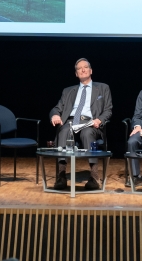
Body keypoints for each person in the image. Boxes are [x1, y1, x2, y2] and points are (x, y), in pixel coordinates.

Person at [49, 58, 113, 191]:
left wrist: (99, 120)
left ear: (91, 70)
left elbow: (108, 110)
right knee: (64, 131)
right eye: (79, 68)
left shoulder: (103, 88)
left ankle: (94, 177)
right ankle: (61, 176)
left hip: (90, 123)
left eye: (85, 67)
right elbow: (57, 108)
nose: (83, 70)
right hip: (71, 122)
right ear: (76, 74)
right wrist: (55, 115)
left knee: (87, 133)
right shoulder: (68, 91)